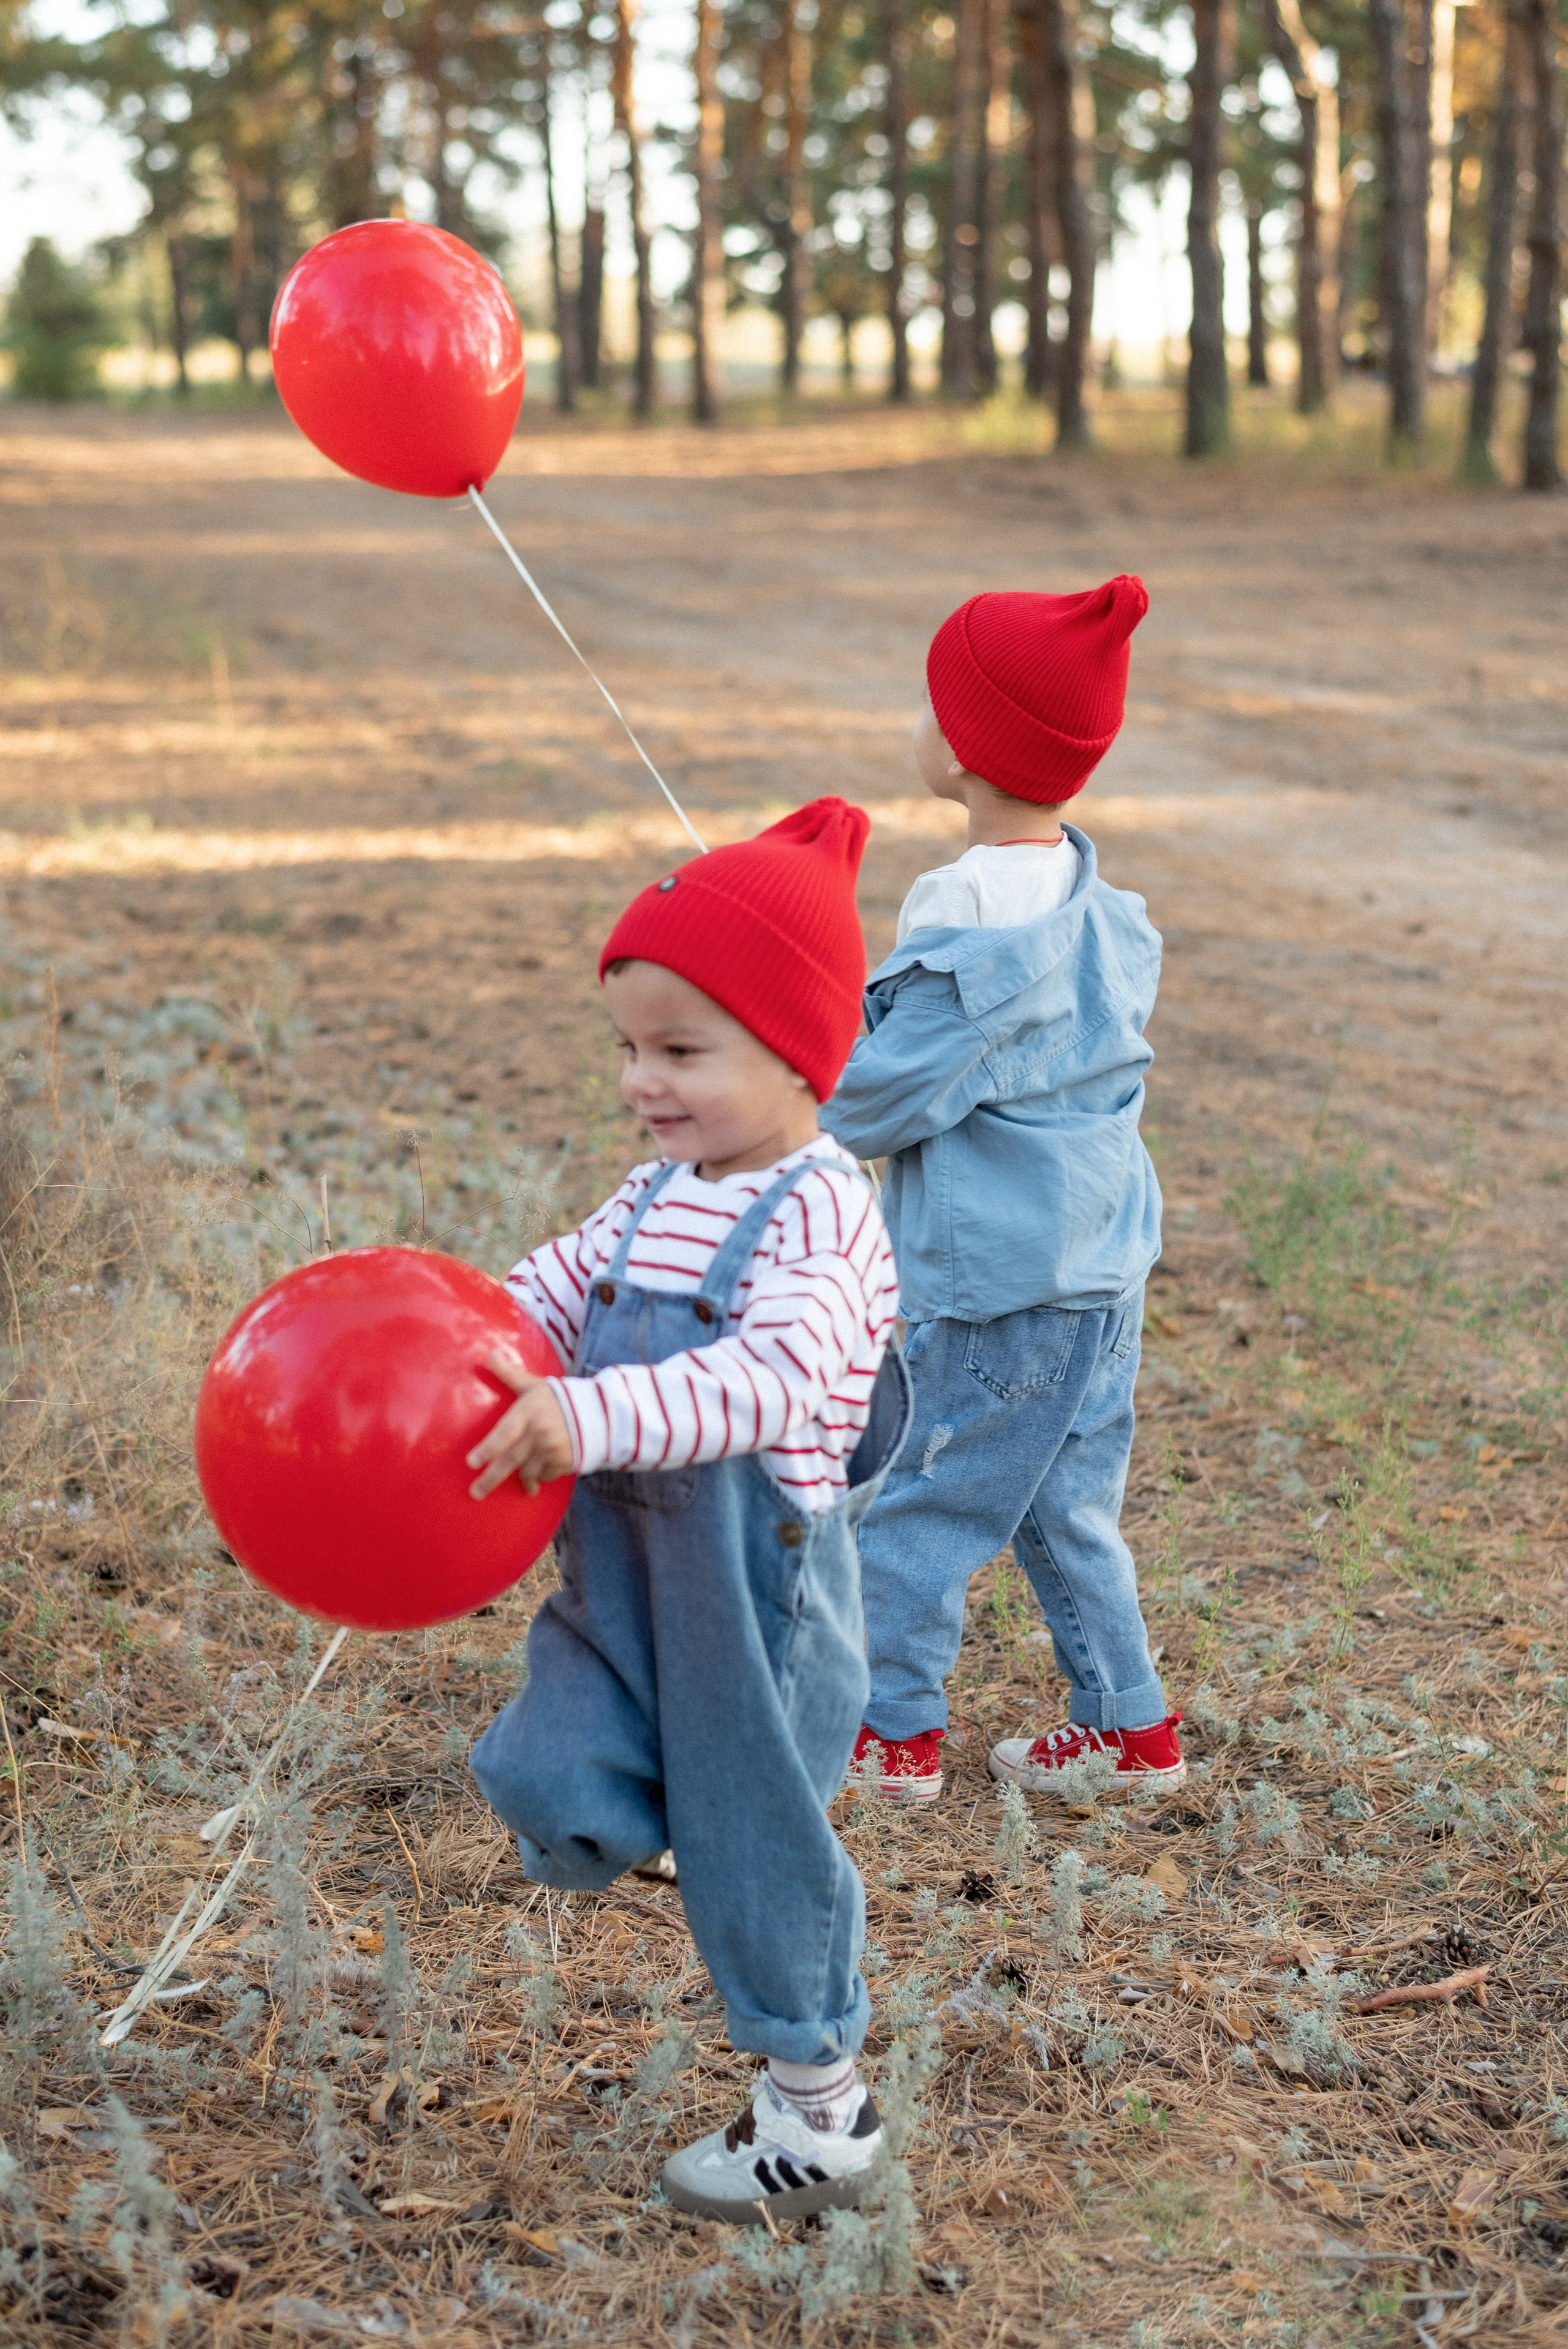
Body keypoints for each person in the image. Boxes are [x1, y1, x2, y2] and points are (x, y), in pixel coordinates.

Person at [467, 799, 910, 2225]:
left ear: (797, 1052)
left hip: (752, 1611)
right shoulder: (659, 1186)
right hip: (626, 1581)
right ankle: (631, 1803)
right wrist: (464, 1335)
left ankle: (818, 2115)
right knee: (540, 1769)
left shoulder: (816, 1212)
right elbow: (552, 1285)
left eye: (678, 1050)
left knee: (754, 1858)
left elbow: (773, 1379)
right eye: (625, 1047)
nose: (639, 1084)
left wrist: (582, 1415)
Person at [823, 579, 1185, 1806]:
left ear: (969, 748)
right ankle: (1128, 1726)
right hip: (1097, 1265)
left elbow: (884, 1097)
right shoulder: (1101, 901)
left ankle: (888, 1735)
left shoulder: (964, 911)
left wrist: (798, 1080)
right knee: (1064, 1504)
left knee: (922, 1501)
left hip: (1000, 1283)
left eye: (933, 699)